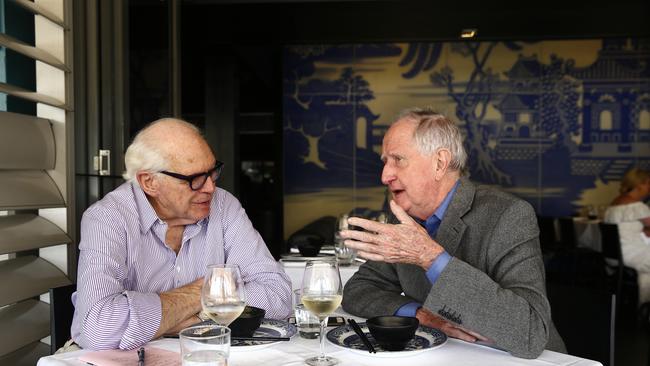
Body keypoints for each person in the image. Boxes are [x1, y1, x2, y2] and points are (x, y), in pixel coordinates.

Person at [340, 107, 565, 359]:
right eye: (385, 162)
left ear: (440, 163)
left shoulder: (509, 215)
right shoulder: (405, 219)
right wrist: (421, 315)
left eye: (398, 160)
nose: (385, 176)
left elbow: (530, 332)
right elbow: (357, 290)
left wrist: (429, 257)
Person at [70, 118, 292, 350]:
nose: (210, 188)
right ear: (150, 182)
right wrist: (205, 292)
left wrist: (186, 321)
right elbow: (100, 330)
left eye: (212, 172)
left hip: (209, 352)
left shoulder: (224, 206)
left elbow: (278, 295)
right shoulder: (107, 218)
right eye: (194, 179)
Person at [604, 168, 650, 303]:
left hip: (613, 255)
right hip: (631, 255)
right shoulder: (637, 206)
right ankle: (645, 311)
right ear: (639, 184)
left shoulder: (614, 204)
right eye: (648, 183)